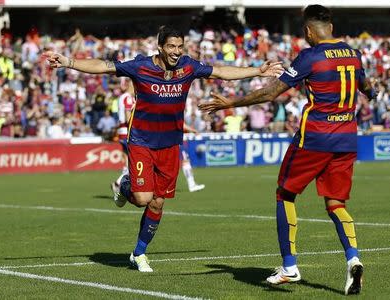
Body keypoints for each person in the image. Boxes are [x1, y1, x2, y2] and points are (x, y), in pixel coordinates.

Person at [45, 25, 283, 273]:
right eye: (171, 46)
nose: (176, 51)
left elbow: (221, 71)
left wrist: (258, 70)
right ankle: (124, 185)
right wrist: (69, 62)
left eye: (180, 47)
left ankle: (138, 253)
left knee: (158, 203)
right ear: (160, 47)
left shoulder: (188, 67)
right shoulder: (141, 66)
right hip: (142, 142)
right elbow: (104, 66)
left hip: (170, 145)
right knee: (142, 198)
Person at [199, 5, 377, 295]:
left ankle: (290, 266)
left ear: (308, 30)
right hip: (346, 138)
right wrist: (372, 93)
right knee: (336, 204)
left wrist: (229, 103)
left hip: (315, 138)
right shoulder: (352, 54)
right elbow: (366, 85)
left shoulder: (311, 56)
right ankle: (353, 259)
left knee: (285, 194)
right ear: (330, 25)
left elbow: (270, 93)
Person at [111, 80, 136, 195]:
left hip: (122, 132)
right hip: (128, 132)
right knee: (134, 162)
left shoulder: (121, 97)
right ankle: (118, 183)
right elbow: (128, 117)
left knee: (127, 162)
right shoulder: (128, 98)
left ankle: (121, 186)